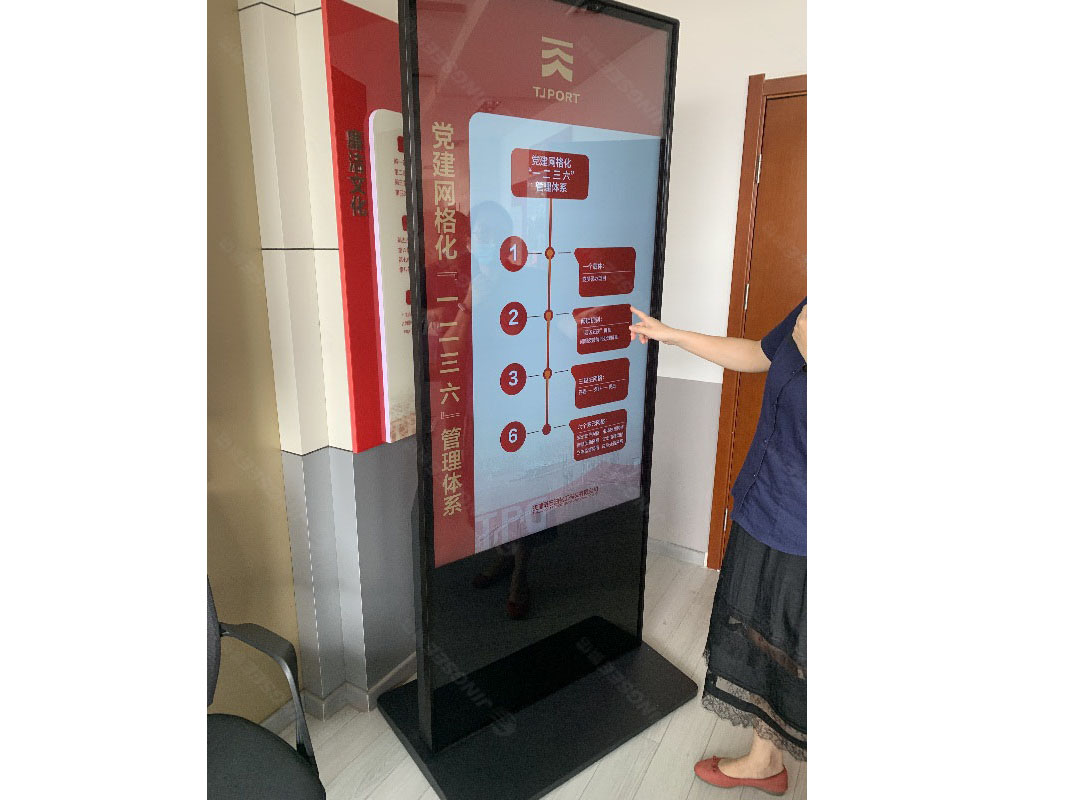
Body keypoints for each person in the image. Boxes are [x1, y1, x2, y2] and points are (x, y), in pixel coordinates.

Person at [629, 300, 807, 795]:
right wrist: (673, 334)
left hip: (807, 527)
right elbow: (757, 354)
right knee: (762, 632)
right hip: (765, 500)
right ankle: (765, 759)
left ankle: (767, 758)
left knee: (797, 644)